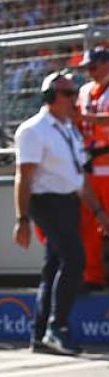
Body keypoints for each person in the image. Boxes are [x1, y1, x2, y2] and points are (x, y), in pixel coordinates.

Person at [13, 71, 109, 355]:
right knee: (74, 258)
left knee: (53, 266)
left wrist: (98, 211)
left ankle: (39, 334)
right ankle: (58, 328)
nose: (73, 100)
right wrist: (22, 218)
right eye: (68, 94)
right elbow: (24, 177)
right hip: (46, 202)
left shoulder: (67, 129)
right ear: (50, 98)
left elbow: (78, 176)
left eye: (74, 93)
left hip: (68, 202)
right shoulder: (33, 130)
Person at [75, 46, 109, 288]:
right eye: (87, 68)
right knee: (88, 226)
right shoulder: (84, 91)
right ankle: (92, 277)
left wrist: (81, 119)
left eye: (93, 66)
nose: (90, 72)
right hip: (89, 168)